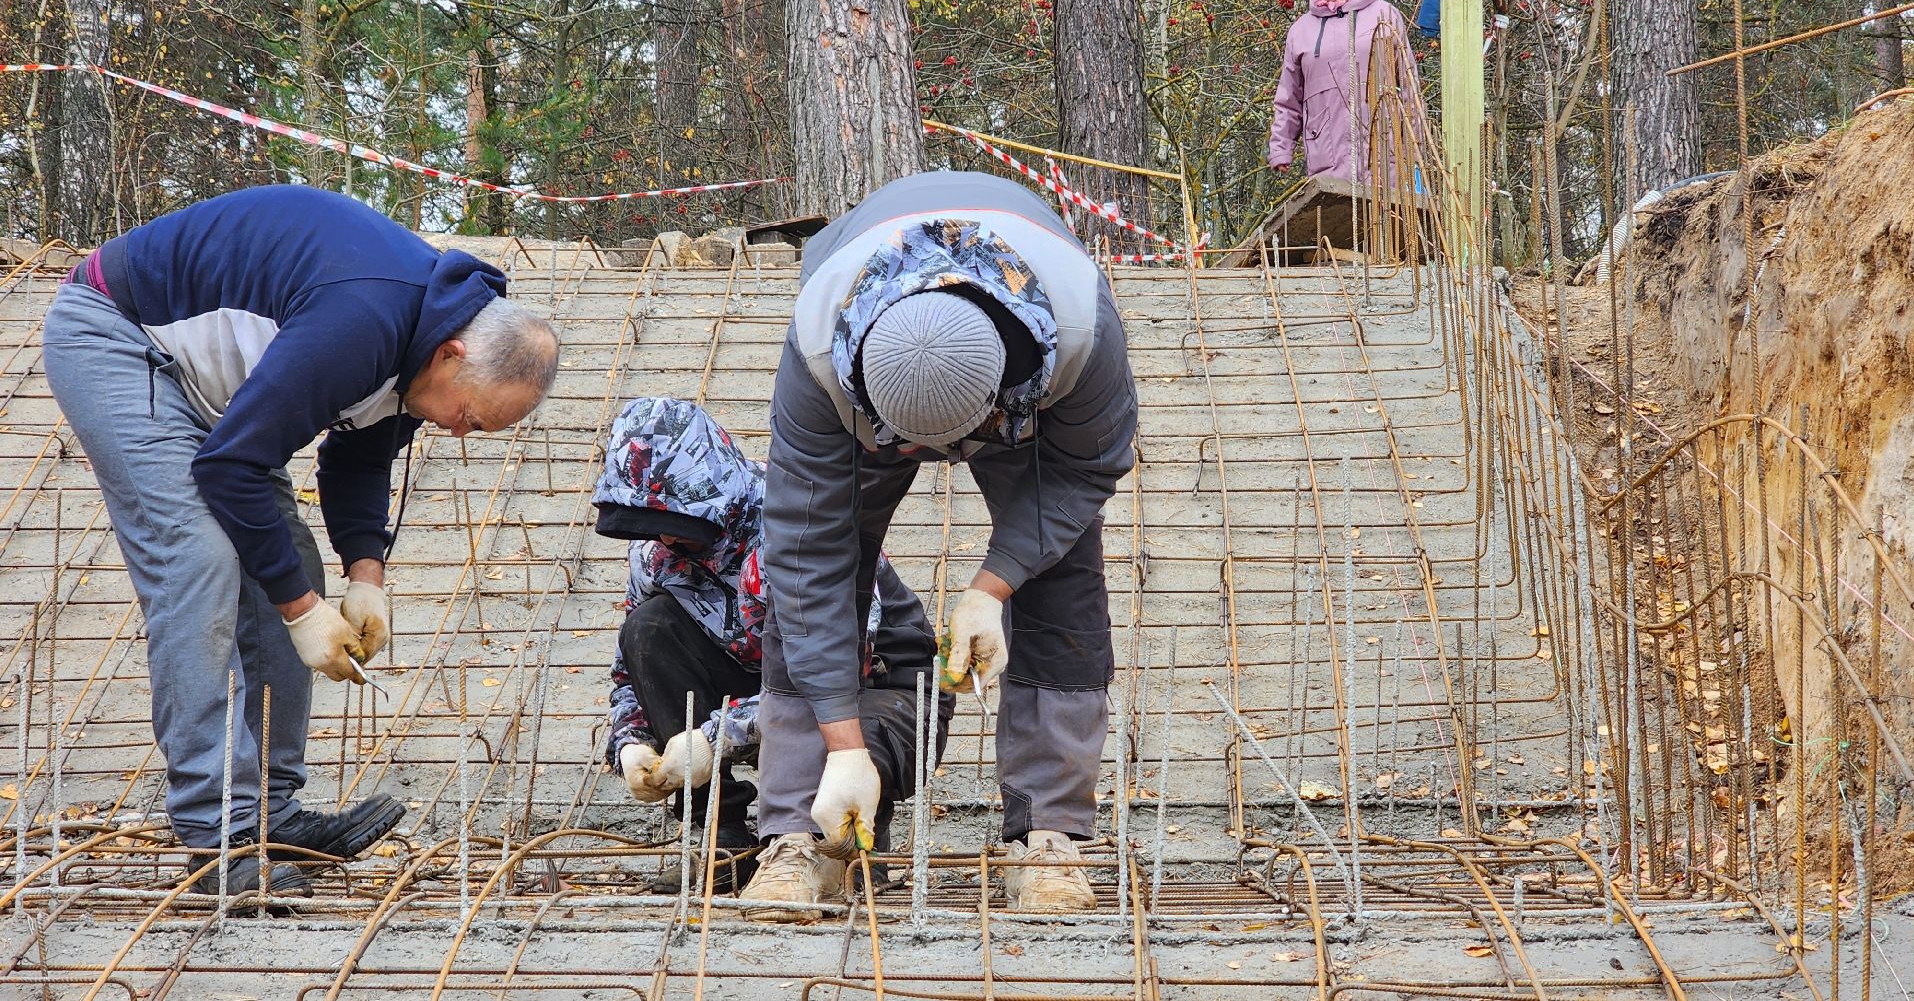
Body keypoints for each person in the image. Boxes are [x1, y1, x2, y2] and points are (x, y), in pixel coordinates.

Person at [41, 185, 560, 898]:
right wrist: (301, 612)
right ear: (452, 353)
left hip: (213, 399)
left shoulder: (420, 340)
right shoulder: (365, 319)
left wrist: (365, 576)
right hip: (120, 336)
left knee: (292, 561)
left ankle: (270, 814)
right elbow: (232, 466)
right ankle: (216, 836)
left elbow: (360, 456)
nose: (459, 433)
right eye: (469, 416)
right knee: (200, 561)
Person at [745, 170, 1138, 916]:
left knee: (1062, 580)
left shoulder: (1081, 333)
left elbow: (1089, 467)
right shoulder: (820, 358)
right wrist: (847, 746)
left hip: (1024, 376)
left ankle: (1047, 834)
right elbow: (807, 561)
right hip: (865, 389)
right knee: (802, 587)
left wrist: (994, 583)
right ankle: (801, 832)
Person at [594, 397, 951, 908]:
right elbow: (629, 669)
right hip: (760, 683)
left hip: (876, 689)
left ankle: (837, 849)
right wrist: (631, 741)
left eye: (675, 520)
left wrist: (715, 736)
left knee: (850, 744)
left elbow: (832, 677)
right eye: (652, 523)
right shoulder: (656, 553)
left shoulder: (798, 524)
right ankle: (726, 843)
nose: (666, 536)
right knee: (649, 629)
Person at [1267, 0, 1424, 182]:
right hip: (1327, 157)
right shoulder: (1301, 31)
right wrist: (1280, 148)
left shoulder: (1384, 14)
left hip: (1384, 153)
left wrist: (1416, 146)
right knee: (1336, 218)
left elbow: (1409, 85)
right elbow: (1288, 98)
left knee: (1385, 217)